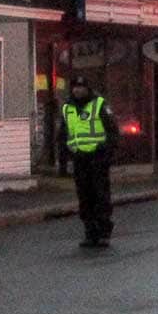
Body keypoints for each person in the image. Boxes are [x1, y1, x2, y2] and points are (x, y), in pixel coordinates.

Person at [61, 79, 120, 248]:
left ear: (88, 89)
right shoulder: (67, 108)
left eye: (81, 87)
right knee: (84, 196)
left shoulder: (99, 105)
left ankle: (103, 232)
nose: (77, 90)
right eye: (75, 87)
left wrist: (106, 153)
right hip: (79, 159)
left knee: (100, 195)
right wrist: (65, 160)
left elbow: (112, 131)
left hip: (98, 158)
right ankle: (90, 232)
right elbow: (63, 135)